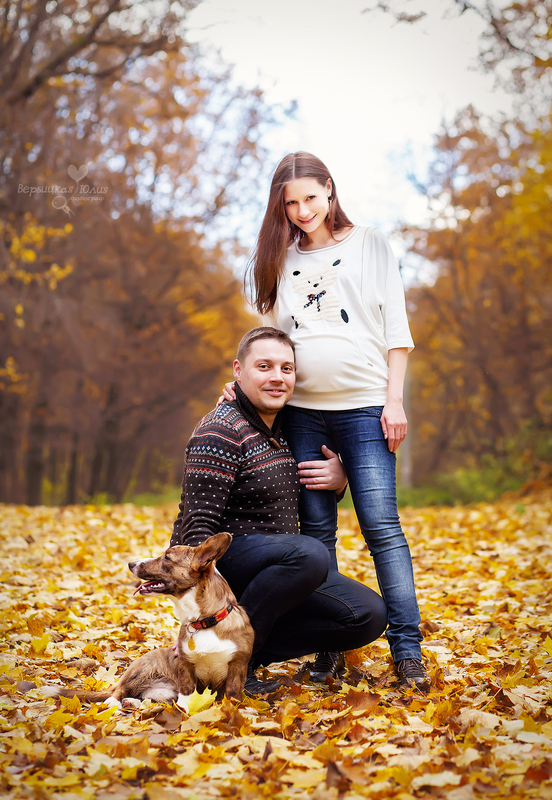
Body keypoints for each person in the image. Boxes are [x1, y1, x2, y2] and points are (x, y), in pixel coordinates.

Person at [226, 152, 428, 690]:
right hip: (303, 415)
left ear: (330, 190)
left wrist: (394, 400)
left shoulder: (370, 243)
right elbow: (272, 338)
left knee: (382, 528)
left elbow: (396, 327)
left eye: (310, 198)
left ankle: (408, 652)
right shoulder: (280, 259)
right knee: (317, 535)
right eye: (290, 203)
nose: (302, 210)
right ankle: (331, 650)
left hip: (366, 408)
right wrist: (243, 384)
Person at [170, 327, 387, 695]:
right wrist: (199, 611)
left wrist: (339, 480)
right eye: (264, 366)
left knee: (366, 615)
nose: (277, 377)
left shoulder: (285, 428)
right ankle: (232, 664)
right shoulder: (220, 430)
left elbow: (290, 495)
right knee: (310, 554)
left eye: (287, 369)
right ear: (238, 371)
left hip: (277, 571)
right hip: (225, 567)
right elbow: (196, 529)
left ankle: (228, 657)